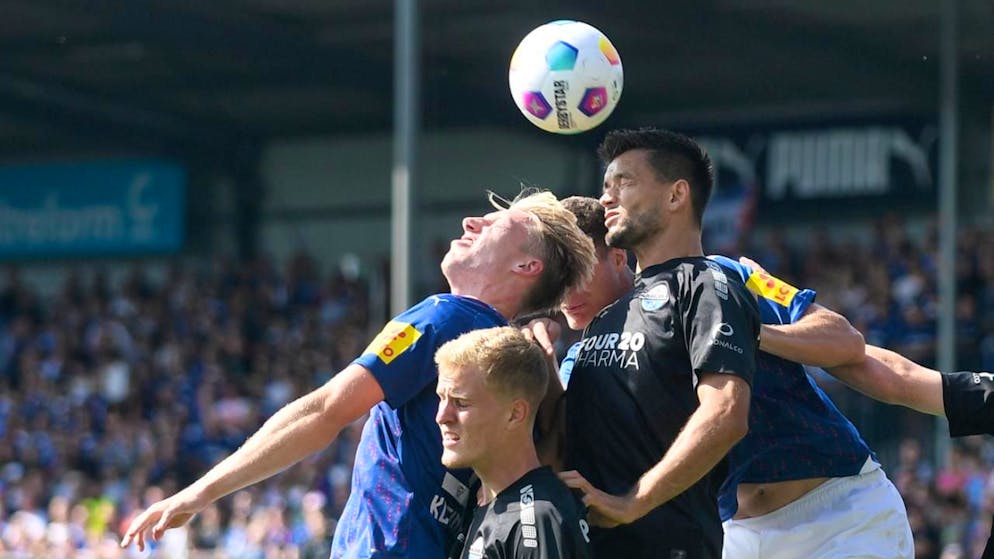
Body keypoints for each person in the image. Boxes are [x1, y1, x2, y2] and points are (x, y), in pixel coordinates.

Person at [120, 190, 597, 559]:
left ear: (526, 266)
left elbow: (325, 412)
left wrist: (199, 493)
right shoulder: (516, 362)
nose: (471, 222)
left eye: (493, 225)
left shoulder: (442, 317)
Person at [552, 195, 994, 559]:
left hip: (840, 510)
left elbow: (844, 341)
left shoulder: (729, 278)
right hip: (737, 537)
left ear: (616, 255)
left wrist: (742, 333)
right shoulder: (581, 363)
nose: (566, 293)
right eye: (557, 280)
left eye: (577, 272)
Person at [558, 128, 762, 559]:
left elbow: (726, 413)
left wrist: (633, 501)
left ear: (676, 196)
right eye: (605, 186)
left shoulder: (707, 283)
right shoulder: (608, 313)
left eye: (625, 183)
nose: (607, 198)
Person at [434, 326, 592, 559]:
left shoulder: (537, 519)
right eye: (441, 398)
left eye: (461, 403)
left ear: (515, 414)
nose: (441, 417)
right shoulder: (482, 504)